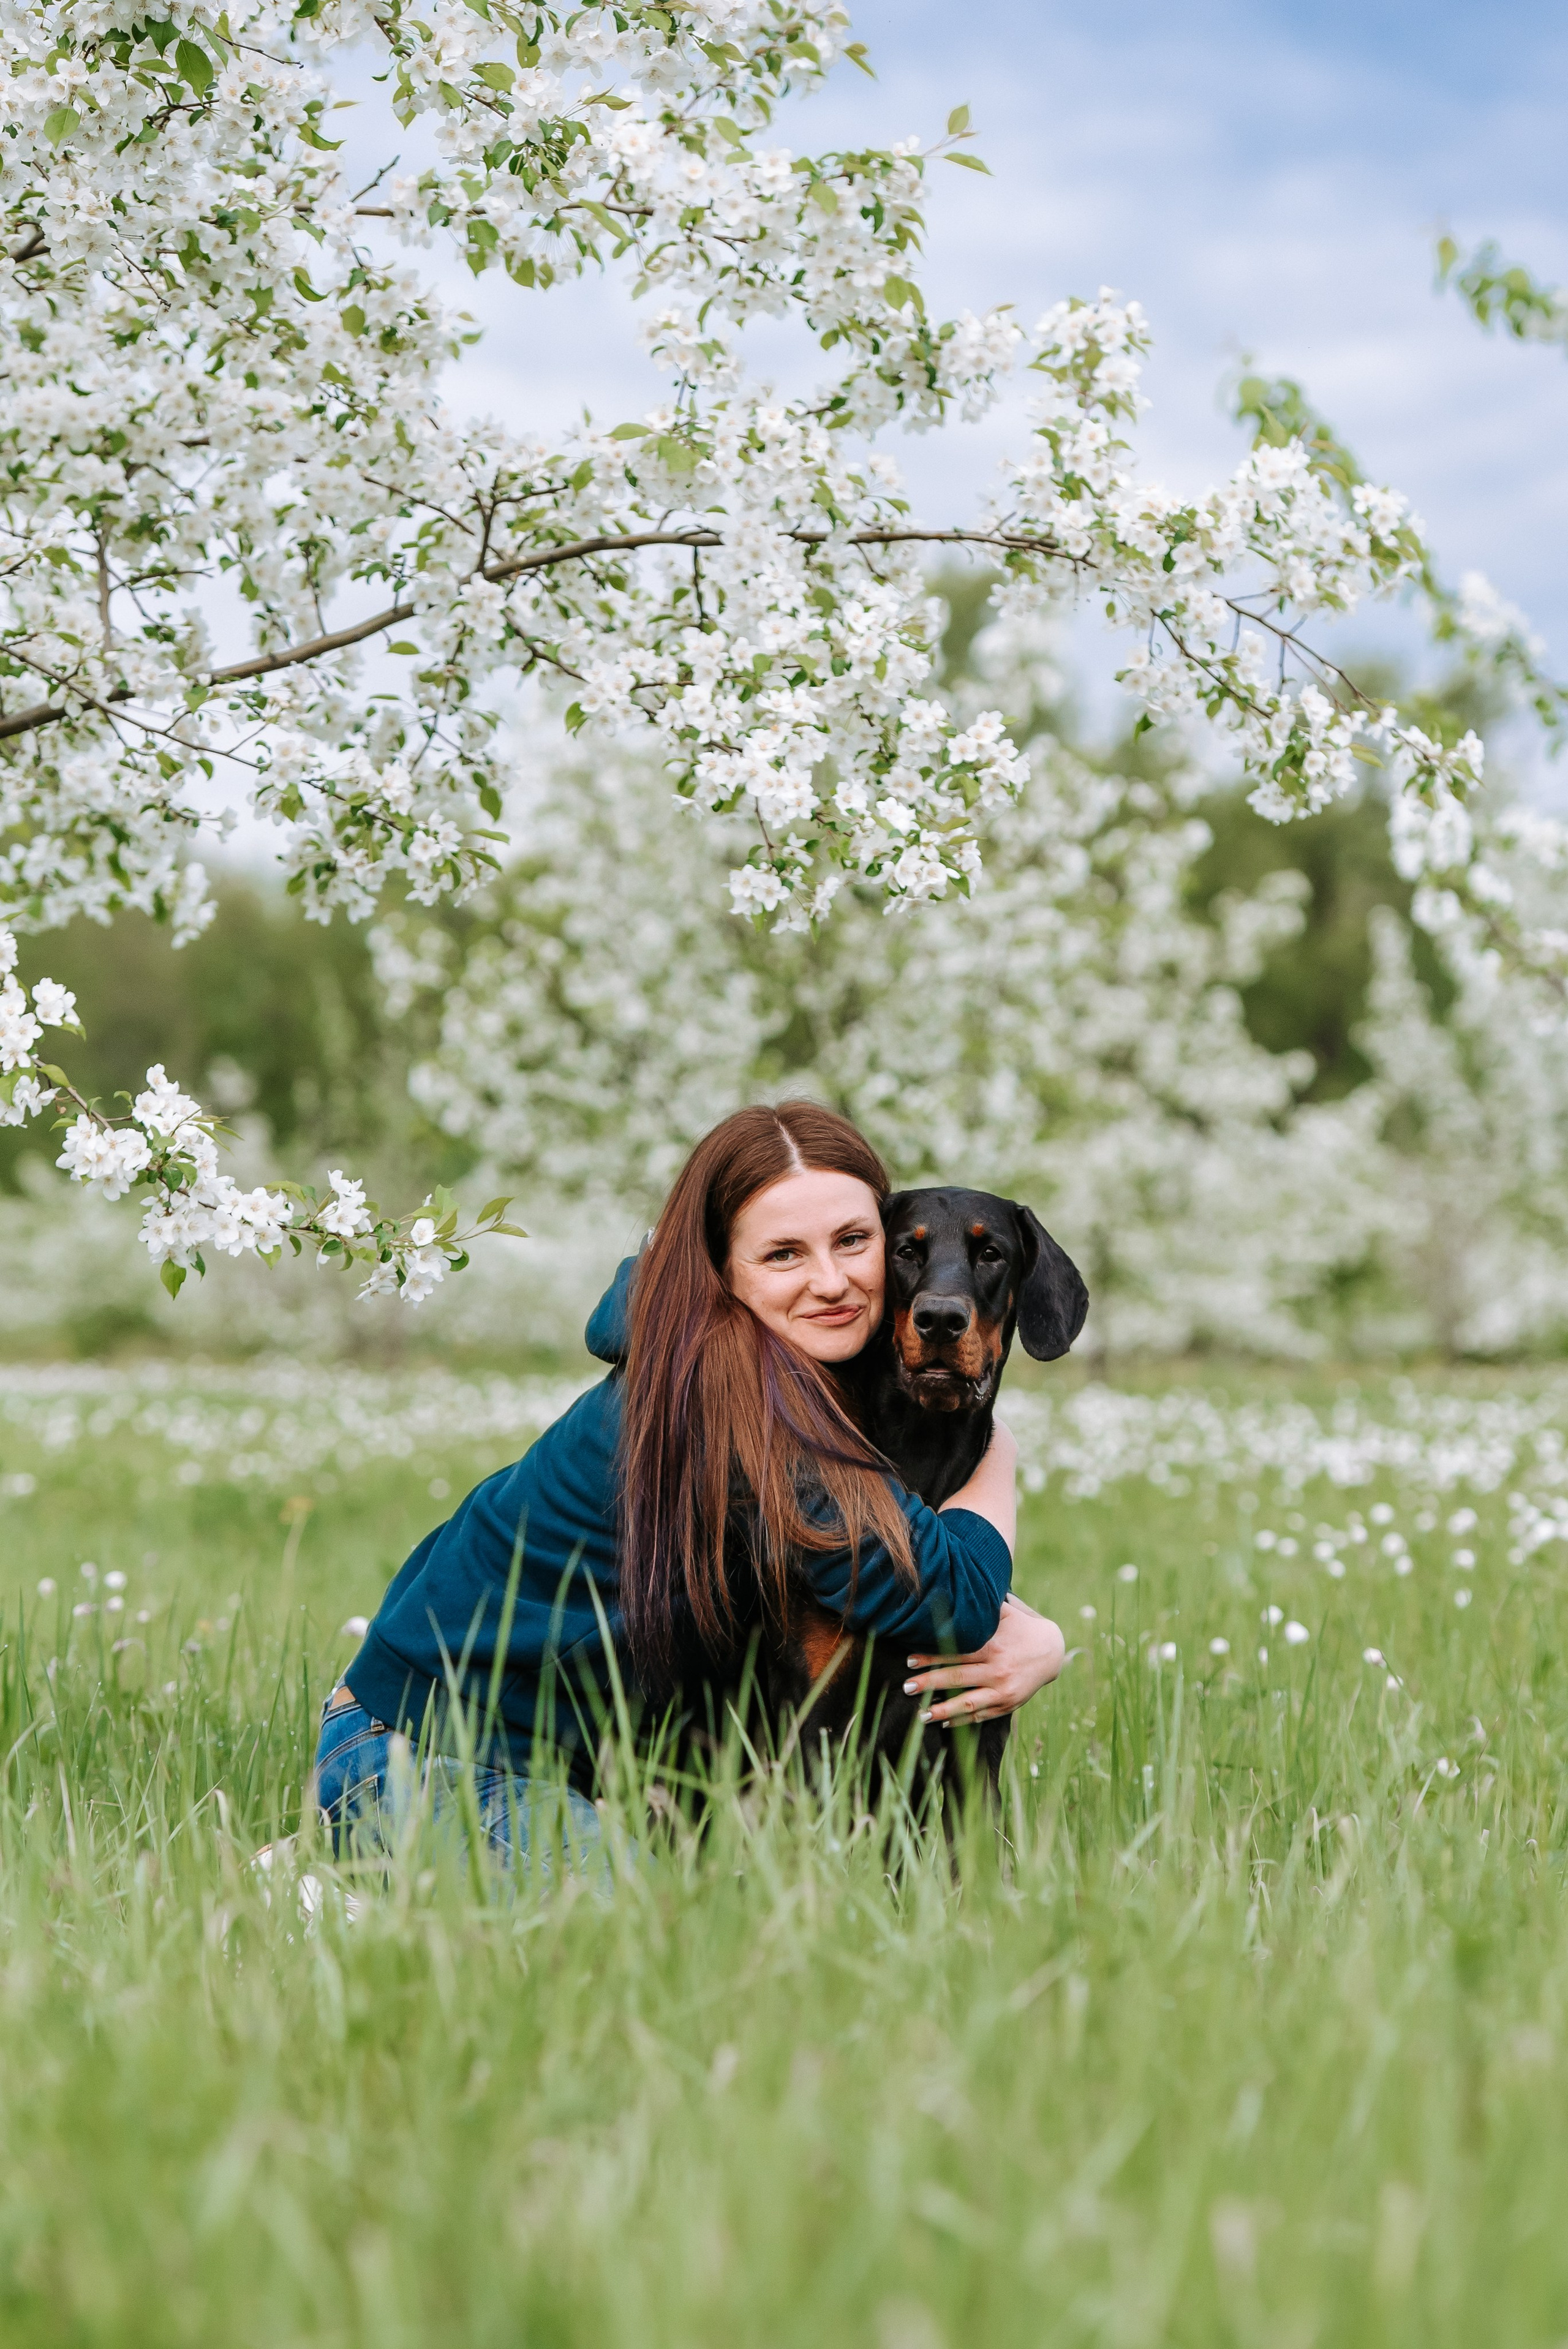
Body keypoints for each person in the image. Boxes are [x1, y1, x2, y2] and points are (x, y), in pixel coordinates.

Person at [312, 1103, 1066, 1862]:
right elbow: (954, 1604)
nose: (831, 1281)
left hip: (562, 1768)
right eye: (782, 1254)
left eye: (851, 1240)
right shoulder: (729, 1394)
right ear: (720, 1268)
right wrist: (995, 1455)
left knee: (706, 1925)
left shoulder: (796, 1371)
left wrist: (1037, 1642)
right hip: (419, 1750)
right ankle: (317, 1893)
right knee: (643, 1943)